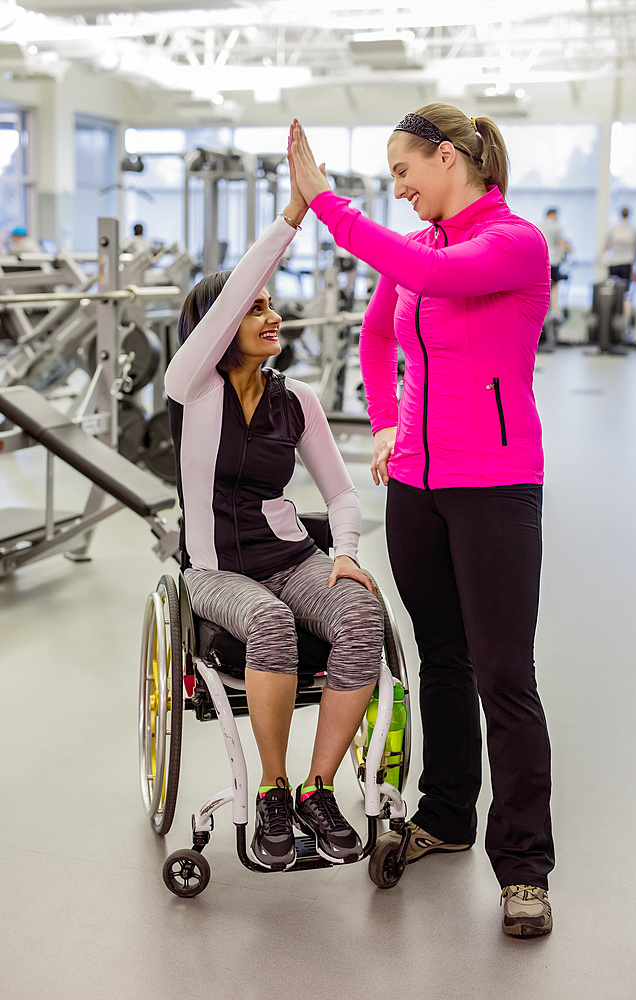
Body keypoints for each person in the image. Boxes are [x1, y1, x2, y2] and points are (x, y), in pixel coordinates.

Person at [290, 107, 555, 937]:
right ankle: (445, 816)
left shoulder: (509, 241)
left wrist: (329, 206)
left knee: (502, 676)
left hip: (495, 484)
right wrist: (386, 421)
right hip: (417, 485)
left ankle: (524, 871)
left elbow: (430, 280)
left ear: (450, 158)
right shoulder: (425, 253)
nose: (399, 190)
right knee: (438, 658)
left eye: (405, 172)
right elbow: (377, 337)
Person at [164, 147, 383, 872]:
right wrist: (294, 215)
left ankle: (319, 788)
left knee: (359, 615)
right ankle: (273, 789)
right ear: (219, 328)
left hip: (289, 558)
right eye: (254, 308)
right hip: (217, 570)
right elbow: (230, 299)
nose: (271, 314)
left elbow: (341, 491)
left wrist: (345, 552)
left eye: (269, 304)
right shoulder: (190, 390)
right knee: (267, 620)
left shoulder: (299, 400)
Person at [604, 206, 636, 335]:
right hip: (626, 264)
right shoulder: (633, 230)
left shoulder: (614, 230)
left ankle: (609, 324)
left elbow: (606, 247)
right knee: (626, 295)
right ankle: (626, 327)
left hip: (614, 263)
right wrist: (634, 270)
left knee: (610, 294)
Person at [539, 207, 572, 314]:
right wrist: (569, 249)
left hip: (541, 261)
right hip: (552, 260)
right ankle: (554, 308)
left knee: (543, 285)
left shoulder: (540, 226)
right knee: (555, 284)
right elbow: (561, 243)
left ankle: (542, 306)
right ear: (553, 215)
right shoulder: (556, 227)